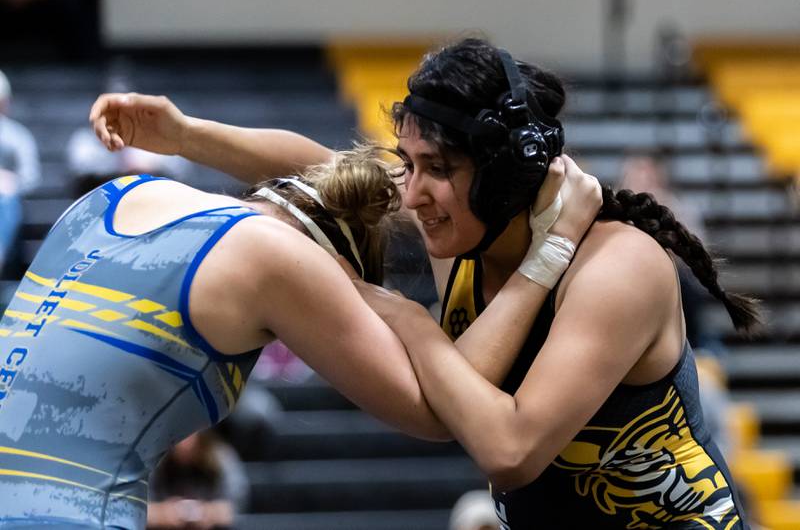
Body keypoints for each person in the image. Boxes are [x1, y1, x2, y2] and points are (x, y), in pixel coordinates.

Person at [88, 38, 762, 529]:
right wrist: (184, 134)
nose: (413, 194)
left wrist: (411, 321)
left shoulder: (618, 267)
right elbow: (327, 165)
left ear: (502, 174)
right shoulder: (461, 230)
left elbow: (511, 449)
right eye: (409, 164)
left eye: (435, 167)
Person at [0, 120, 599, 527]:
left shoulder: (121, 196)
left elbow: (340, 179)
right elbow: (450, 410)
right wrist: (550, 253)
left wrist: (185, 134)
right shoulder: (277, 258)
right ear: (337, 268)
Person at [147, 430, 247, 530]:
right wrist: (163, 512)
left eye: (189, 433)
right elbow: (139, 509)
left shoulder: (220, 458)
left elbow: (235, 509)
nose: (184, 442)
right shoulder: (156, 461)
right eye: (180, 435)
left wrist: (208, 512)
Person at [0, 69, 41, 275]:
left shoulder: (17, 136)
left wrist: (11, 181)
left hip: (7, 203)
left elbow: (31, 177)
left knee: (6, 199)